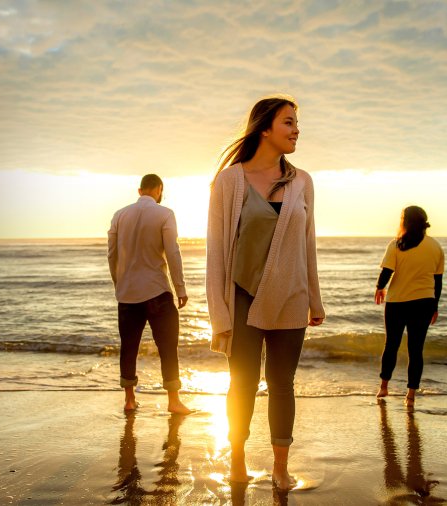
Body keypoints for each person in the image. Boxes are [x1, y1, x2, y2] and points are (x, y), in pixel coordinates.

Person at [206, 96, 325, 490]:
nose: (296, 130)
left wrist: (315, 298)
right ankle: (237, 460)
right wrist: (219, 313)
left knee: (282, 383)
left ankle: (280, 468)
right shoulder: (229, 181)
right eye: (288, 123)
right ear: (264, 129)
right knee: (241, 383)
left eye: (297, 123)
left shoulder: (302, 181)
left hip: (291, 296)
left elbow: (308, 242)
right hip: (242, 298)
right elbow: (217, 252)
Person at [108, 174, 191, 414]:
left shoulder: (119, 215)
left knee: (129, 347)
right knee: (167, 346)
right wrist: (180, 288)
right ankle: (174, 401)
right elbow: (173, 253)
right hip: (157, 291)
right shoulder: (165, 214)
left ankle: (130, 399)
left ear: (139, 190)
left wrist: (119, 284)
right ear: (159, 189)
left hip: (127, 294)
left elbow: (111, 255)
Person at [374, 206, 444, 408]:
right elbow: (437, 281)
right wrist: (435, 306)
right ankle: (411, 395)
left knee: (391, 345)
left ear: (405, 221)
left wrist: (379, 287)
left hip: (397, 303)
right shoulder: (435, 246)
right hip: (424, 302)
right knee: (416, 350)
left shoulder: (397, 244)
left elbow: (387, 271)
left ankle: (384, 387)